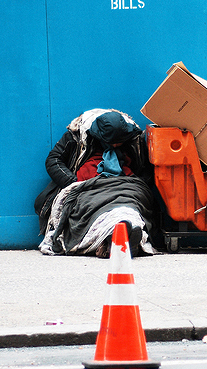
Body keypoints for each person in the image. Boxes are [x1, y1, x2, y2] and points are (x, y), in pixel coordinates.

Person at [35, 109, 160, 258]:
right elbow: (53, 160)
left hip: (126, 186)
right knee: (89, 206)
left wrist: (135, 184)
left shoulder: (133, 138)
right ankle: (109, 236)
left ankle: (127, 231)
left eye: (118, 143)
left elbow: (147, 169)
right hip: (88, 186)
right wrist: (74, 183)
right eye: (111, 143)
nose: (115, 146)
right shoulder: (76, 137)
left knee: (131, 204)